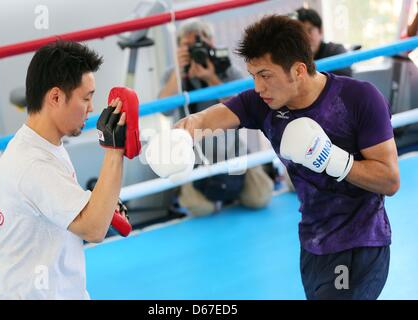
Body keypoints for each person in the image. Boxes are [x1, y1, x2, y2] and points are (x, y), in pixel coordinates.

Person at [172, 15, 400, 300]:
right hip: (313, 244)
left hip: (361, 243)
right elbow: (206, 118)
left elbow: (390, 180)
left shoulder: (359, 99)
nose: (258, 87)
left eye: (266, 75)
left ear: (298, 70)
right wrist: (180, 136)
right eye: (253, 76)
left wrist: (332, 160)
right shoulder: (262, 103)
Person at [0, 41, 138, 299]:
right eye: (86, 97)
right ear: (56, 97)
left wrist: (101, 204)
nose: (92, 108)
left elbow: (73, 211)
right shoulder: (32, 164)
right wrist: (114, 151)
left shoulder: (45, 145)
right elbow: (93, 229)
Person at [158, 18, 273, 216]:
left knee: (260, 197)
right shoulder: (173, 73)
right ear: (179, 48)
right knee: (202, 209)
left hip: (232, 151)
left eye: (201, 42)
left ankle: (233, 190)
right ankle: (211, 193)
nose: (196, 49)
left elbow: (247, 106)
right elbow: (164, 109)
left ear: (211, 42)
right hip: (195, 158)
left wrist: (211, 78)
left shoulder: (225, 66)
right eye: (189, 45)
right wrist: (179, 72)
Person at [295, 7, 353, 77]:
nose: (305, 37)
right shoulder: (293, 58)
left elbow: (344, 79)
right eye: (300, 32)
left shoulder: (336, 51)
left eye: (309, 30)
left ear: (320, 30)